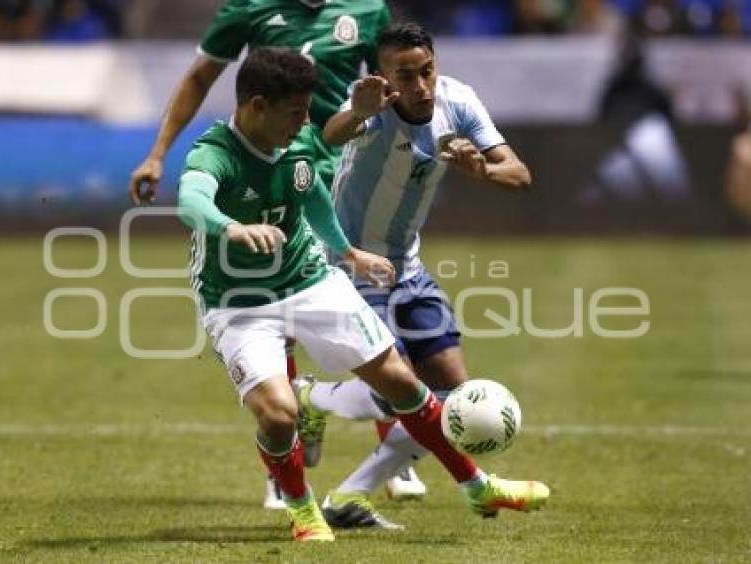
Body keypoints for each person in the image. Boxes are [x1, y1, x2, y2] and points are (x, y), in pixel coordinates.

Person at [176, 45, 548, 543]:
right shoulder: (215, 152)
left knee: (401, 380)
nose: (305, 121)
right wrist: (231, 228)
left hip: (308, 279)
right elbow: (190, 200)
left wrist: (349, 254)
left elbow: (312, 200)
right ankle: (302, 509)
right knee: (279, 414)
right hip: (238, 302)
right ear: (257, 105)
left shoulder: (298, 141)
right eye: (295, 112)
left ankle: (478, 486)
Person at [129, 0, 429, 506]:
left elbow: (388, 87)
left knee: (372, 314)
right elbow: (201, 76)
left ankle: (389, 460)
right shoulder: (248, 9)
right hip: (280, 175)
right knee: (275, 317)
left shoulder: (367, 9)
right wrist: (158, 152)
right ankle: (286, 465)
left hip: (347, 177)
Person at [291, 22, 543, 529]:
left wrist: (484, 172)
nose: (420, 85)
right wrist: (359, 109)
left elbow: (520, 174)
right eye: (405, 76)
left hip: (408, 266)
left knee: (456, 401)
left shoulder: (458, 101)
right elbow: (332, 133)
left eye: (426, 70)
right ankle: (308, 397)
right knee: (397, 392)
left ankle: (349, 496)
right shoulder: (371, 109)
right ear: (384, 79)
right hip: (351, 264)